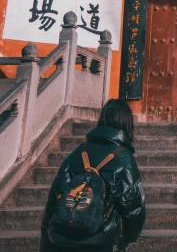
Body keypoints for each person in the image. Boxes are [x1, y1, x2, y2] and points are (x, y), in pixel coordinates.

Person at [40, 98, 146, 252]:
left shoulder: (78, 152)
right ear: (127, 125)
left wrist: (46, 241)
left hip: (62, 240)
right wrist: (126, 241)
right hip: (99, 242)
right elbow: (134, 210)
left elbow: (54, 199)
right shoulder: (124, 160)